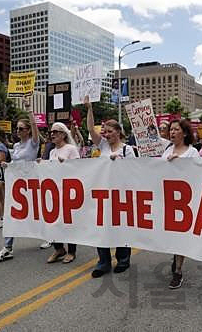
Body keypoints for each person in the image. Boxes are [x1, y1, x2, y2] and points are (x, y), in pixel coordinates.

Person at [86, 96, 136, 277]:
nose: (105, 134)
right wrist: (89, 109)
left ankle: (123, 259)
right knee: (102, 227)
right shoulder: (103, 146)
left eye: (108, 131)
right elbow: (90, 128)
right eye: (104, 131)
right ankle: (103, 262)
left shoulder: (127, 150)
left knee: (121, 227)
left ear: (118, 131)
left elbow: (133, 171)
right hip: (103, 194)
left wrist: (119, 162)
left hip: (121, 195)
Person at [0, 97, 40, 262]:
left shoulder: (34, 143)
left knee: (38, 213)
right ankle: (8, 248)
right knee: (12, 214)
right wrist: (7, 165)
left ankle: (51, 237)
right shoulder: (17, 146)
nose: (18, 131)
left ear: (27, 130)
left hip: (33, 184)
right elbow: (15, 162)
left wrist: (29, 109)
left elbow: (35, 127)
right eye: (17, 129)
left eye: (21, 129)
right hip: (18, 186)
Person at [161, 118, 199, 289]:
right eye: (171, 129)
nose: (172, 132)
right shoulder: (166, 150)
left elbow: (199, 175)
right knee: (172, 235)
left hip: (185, 202)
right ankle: (176, 258)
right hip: (168, 199)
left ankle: (178, 271)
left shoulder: (192, 153)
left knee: (181, 236)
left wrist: (181, 165)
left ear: (184, 133)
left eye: (176, 129)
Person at [46, 122, 80, 264]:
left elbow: (79, 168)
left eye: (56, 132)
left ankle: (71, 251)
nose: (52, 134)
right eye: (51, 132)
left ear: (63, 134)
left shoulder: (71, 149)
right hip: (54, 191)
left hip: (68, 191)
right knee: (53, 221)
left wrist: (65, 163)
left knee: (68, 222)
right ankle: (59, 248)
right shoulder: (52, 152)